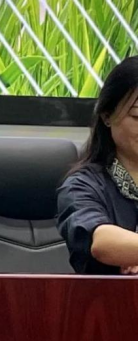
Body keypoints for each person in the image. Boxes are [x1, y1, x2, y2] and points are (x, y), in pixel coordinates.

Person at [58, 56, 138, 275]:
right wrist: (126, 251)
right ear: (107, 116)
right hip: (106, 296)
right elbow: (103, 243)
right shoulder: (83, 185)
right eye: (137, 116)